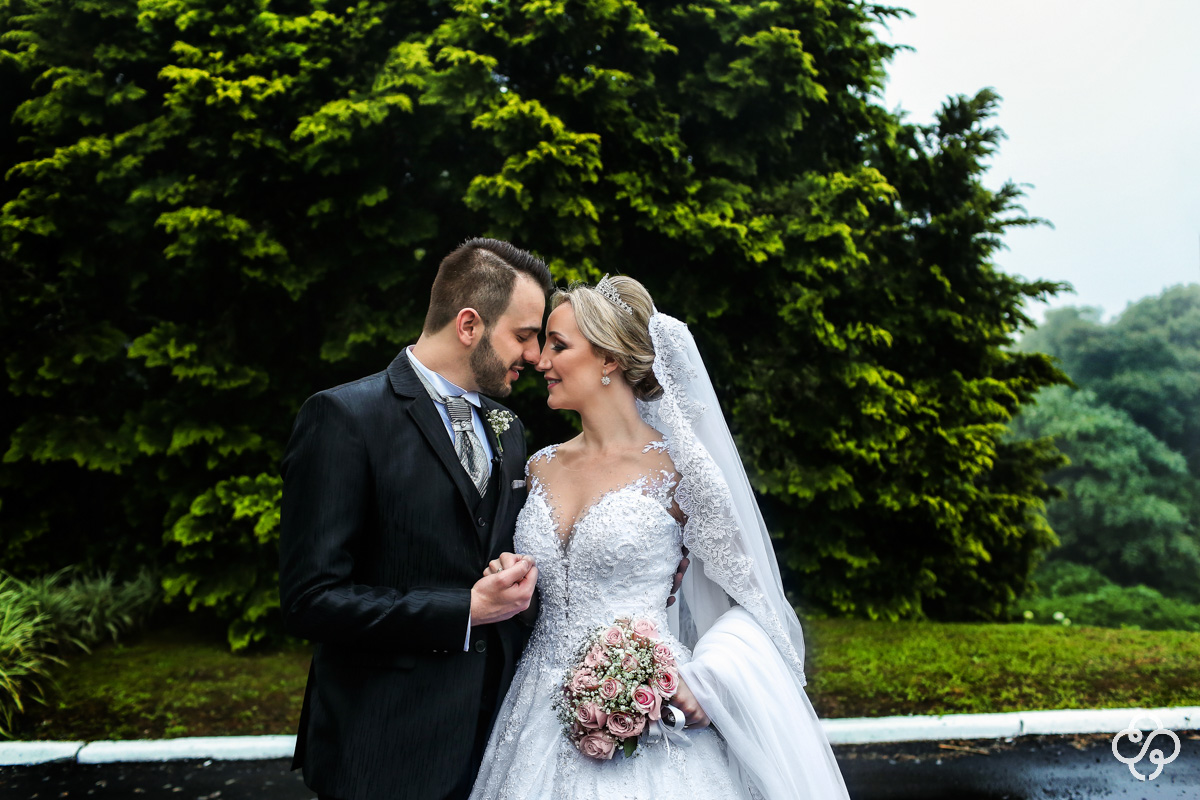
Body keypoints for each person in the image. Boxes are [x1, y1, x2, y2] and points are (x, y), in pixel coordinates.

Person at [470, 275, 851, 800]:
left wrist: (707, 681)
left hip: (648, 720)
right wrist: (506, 578)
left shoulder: (681, 471)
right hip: (532, 711)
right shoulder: (538, 467)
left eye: (559, 345)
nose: (540, 361)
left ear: (608, 360)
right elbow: (536, 592)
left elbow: (756, 602)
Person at [277, 238, 552, 800]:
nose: (535, 355)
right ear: (469, 325)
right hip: (384, 747)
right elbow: (310, 599)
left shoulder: (509, 427)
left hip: (499, 743)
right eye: (524, 335)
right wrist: (464, 609)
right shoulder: (344, 419)